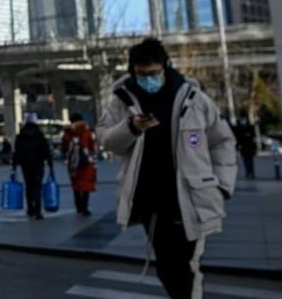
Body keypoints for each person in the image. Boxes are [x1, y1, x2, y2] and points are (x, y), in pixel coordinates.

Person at [97, 37, 237, 299]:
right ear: (132, 71)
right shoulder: (122, 99)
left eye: (153, 73)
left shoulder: (193, 98)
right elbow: (105, 139)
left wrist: (222, 185)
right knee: (166, 267)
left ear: (165, 67)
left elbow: (223, 141)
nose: (148, 79)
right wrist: (131, 128)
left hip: (191, 196)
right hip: (150, 200)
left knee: (186, 266)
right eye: (141, 74)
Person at [12, 114, 53, 219]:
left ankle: (30, 209)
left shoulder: (20, 136)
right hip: (38, 164)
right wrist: (50, 163)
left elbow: (17, 152)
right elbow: (46, 150)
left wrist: (14, 166)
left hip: (25, 165)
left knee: (29, 186)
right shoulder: (39, 135)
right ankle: (38, 211)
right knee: (37, 187)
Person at [62, 112, 97, 216]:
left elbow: (65, 146)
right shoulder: (86, 132)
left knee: (76, 185)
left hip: (73, 164)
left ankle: (78, 207)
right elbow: (91, 146)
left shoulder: (68, 132)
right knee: (86, 185)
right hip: (86, 162)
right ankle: (85, 207)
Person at [231, 113, 258, 180]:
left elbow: (253, 135)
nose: (243, 120)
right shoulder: (238, 127)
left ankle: (251, 173)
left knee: (250, 160)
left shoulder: (250, 126)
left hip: (250, 146)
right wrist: (237, 146)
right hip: (243, 146)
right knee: (245, 160)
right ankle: (247, 172)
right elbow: (237, 137)